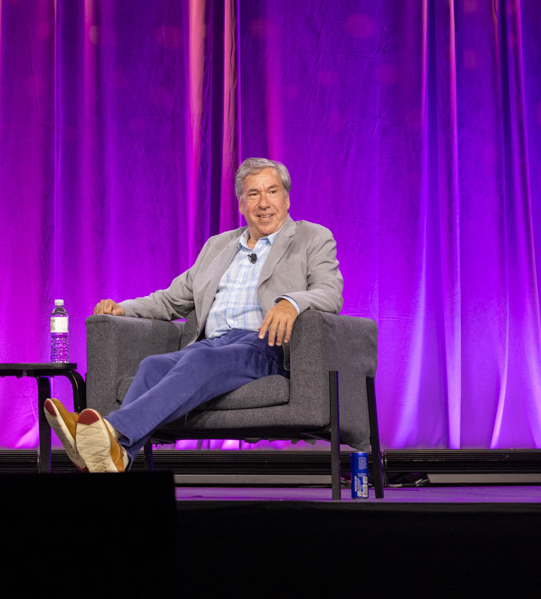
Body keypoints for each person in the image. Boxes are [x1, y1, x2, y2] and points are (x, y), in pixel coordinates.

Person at [43, 158, 343, 472]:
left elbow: (330, 293)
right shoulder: (219, 246)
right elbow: (172, 299)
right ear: (241, 203)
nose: (264, 203)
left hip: (264, 347)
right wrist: (123, 309)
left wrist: (291, 303)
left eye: (272, 191)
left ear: (287, 198)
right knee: (152, 365)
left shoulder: (312, 238)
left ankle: (108, 431)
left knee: (200, 360)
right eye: (253, 194)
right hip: (211, 345)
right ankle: (117, 458)